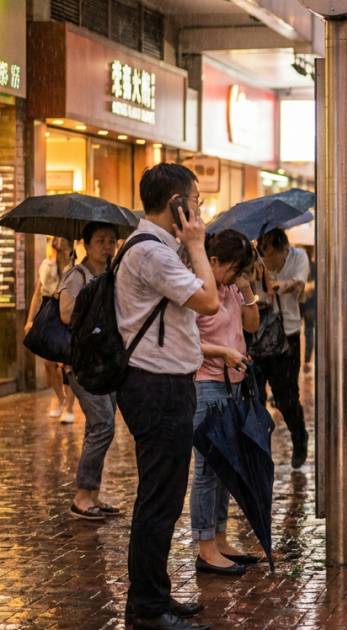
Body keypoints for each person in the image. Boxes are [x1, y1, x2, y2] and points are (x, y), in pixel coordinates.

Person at [116, 163, 219, 630]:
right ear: (176, 204)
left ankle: (151, 596)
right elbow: (209, 301)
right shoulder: (152, 254)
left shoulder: (156, 248)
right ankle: (148, 608)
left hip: (164, 385)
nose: (200, 210)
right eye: (196, 200)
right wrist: (196, 244)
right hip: (157, 388)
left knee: (161, 497)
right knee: (159, 500)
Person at [190, 229, 261, 577]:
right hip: (206, 384)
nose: (235, 275)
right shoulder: (196, 290)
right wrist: (222, 352)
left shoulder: (232, 289)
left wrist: (246, 291)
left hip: (233, 385)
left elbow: (252, 326)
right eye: (233, 269)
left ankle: (219, 538)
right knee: (206, 468)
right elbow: (187, 343)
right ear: (214, 260)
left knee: (225, 467)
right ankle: (205, 547)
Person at [59, 223, 120, 520]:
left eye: (112, 241)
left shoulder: (112, 276)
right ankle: (82, 496)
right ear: (86, 244)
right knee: (103, 424)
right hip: (82, 364)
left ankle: (92, 494)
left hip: (106, 363)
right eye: (100, 241)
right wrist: (93, 298)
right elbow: (66, 314)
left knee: (97, 427)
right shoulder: (77, 275)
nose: (107, 247)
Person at [256, 228, 309, 468]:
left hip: (288, 334)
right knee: (256, 397)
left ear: (283, 250)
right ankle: (259, 449)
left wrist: (278, 285)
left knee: (286, 397)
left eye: (269, 253)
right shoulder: (256, 262)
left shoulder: (298, 257)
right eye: (262, 252)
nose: (266, 259)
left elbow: (298, 283)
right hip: (259, 337)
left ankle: (299, 437)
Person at [26, 235, 76, 422]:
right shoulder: (46, 265)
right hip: (48, 311)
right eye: (57, 240)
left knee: (68, 364)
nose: (58, 242)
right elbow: (37, 293)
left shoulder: (73, 270)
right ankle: (61, 399)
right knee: (48, 364)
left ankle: (69, 408)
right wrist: (30, 320)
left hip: (66, 311)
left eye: (63, 241)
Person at [301, 247, 316, 374]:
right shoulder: (314, 266)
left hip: (305, 303)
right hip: (309, 303)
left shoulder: (303, 266)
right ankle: (306, 359)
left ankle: (306, 359)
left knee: (307, 330)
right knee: (308, 331)